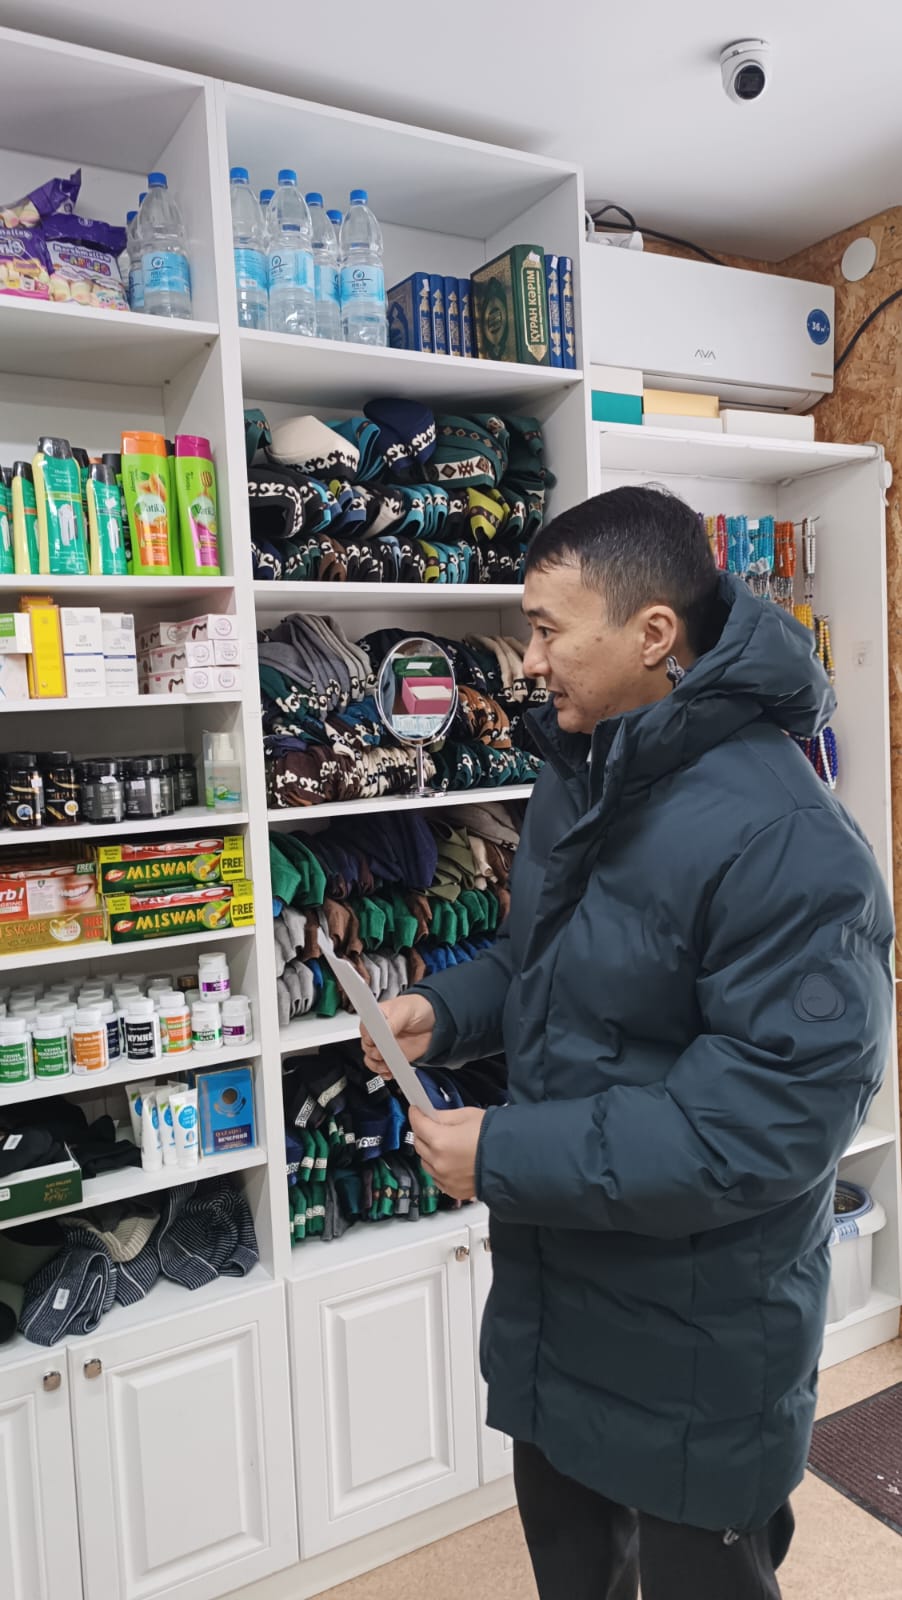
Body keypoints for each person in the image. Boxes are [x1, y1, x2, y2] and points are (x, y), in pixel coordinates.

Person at [362, 485, 894, 1600]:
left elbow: (758, 1129)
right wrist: (446, 1012)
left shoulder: (790, 842)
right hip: (562, 1296)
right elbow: (555, 964)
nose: (529, 661)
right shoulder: (585, 770)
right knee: (573, 1571)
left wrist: (501, 1154)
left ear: (652, 633)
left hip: (699, 1336)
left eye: (547, 630)